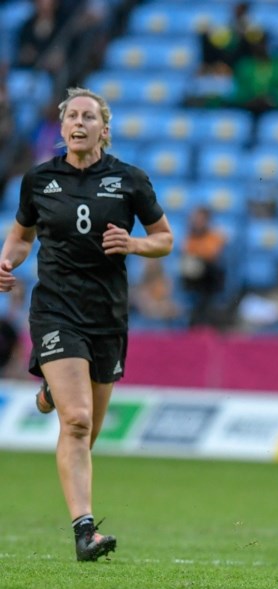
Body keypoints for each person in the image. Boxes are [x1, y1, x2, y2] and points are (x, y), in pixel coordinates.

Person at [0, 87, 174, 562]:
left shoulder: (129, 180)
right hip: (56, 308)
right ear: (61, 128)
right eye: (72, 116)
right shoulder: (38, 180)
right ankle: (84, 532)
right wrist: (6, 262)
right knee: (75, 422)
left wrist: (134, 245)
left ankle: (54, 387)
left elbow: (164, 239)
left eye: (89, 117)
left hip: (108, 316)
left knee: (86, 432)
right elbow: (20, 238)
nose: (79, 123)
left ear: (104, 128)